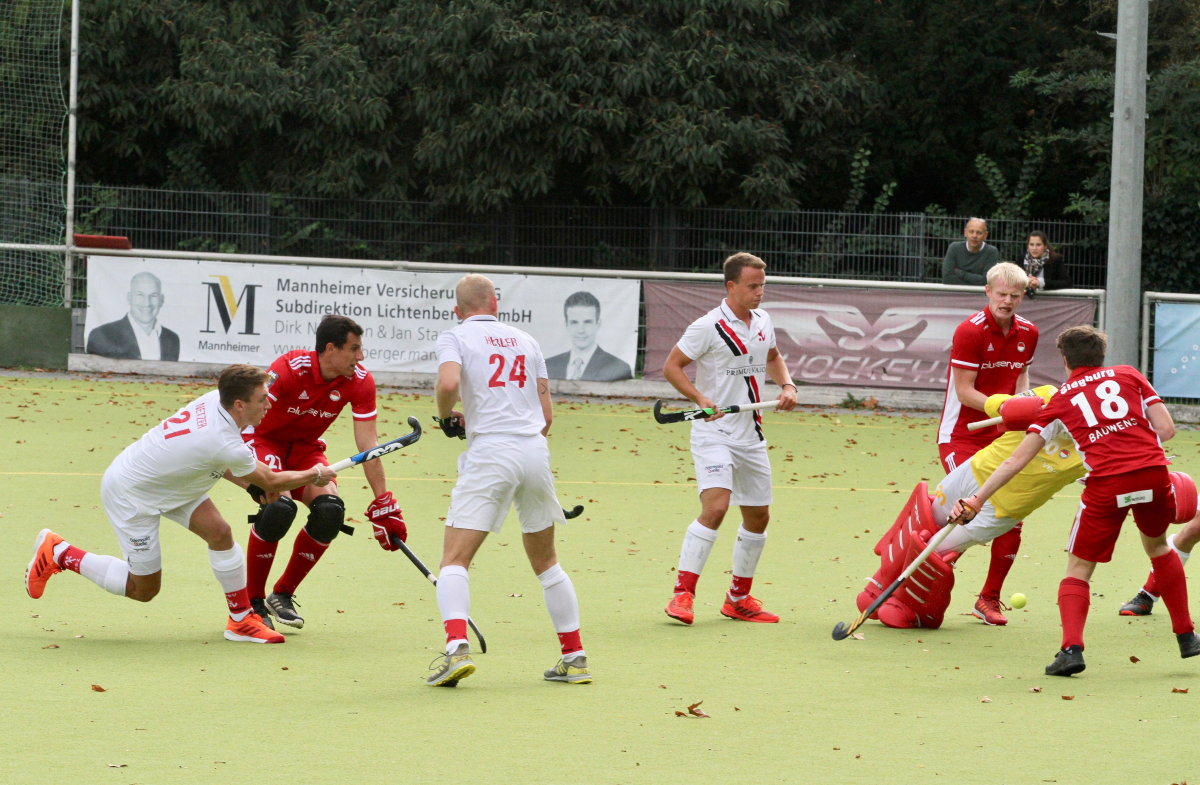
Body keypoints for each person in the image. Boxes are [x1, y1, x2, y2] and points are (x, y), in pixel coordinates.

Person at [950, 326, 1200, 675]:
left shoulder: (1060, 401)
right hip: (1153, 474)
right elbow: (1167, 430)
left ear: (1065, 360)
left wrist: (976, 499)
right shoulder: (1129, 375)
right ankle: (1187, 635)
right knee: (1158, 547)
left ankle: (1071, 650)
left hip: (1107, 484)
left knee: (1079, 569)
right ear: (1101, 356)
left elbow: (1015, 460)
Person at [25, 364, 330, 644]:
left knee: (220, 534)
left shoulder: (216, 402)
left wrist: (249, 485)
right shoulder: (222, 437)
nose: (269, 404)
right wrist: (316, 474)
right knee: (143, 590)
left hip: (174, 483)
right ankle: (60, 552)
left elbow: (216, 460)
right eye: (263, 398)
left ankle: (240, 620)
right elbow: (272, 481)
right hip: (133, 494)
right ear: (240, 404)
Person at [426, 273, 587, 687]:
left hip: (491, 454)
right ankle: (574, 656)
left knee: (454, 560)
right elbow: (547, 416)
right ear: (495, 304)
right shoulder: (527, 341)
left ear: (458, 311)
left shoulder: (455, 336)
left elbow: (448, 383)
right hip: (535, 452)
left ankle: (455, 649)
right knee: (548, 562)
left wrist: (447, 416)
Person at [236, 315, 406, 630]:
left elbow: (368, 444)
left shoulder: (360, 380)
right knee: (278, 509)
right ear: (330, 349)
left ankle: (282, 594)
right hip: (264, 442)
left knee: (330, 511)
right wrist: (250, 471)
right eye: (354, 349)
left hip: (306, 450)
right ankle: (253, 603)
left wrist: (383, 500)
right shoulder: (287, 369)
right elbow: (246, 418)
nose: (361, 356)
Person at [861, 387, 1081, 629]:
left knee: (935, 551)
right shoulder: (1048, 394)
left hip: (999, 510)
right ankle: (880, 583)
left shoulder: (1098, 440)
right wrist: (1008, 407)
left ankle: (907, 606)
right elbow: (996, 404)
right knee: (924, 522)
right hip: (972, 472)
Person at [660, 252, 799, 627]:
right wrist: (700, 399)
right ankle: (682, 594)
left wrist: (786, 384)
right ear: (731, 286)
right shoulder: (707, 326)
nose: (760, 293)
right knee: (717, 507)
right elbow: (671, 367)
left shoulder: (764, 321)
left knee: (758, 515)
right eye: (753, 286)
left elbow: (773, 355)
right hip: (714, 432)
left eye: (763, 286)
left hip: (750, 433)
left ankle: (737, 599)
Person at [937, 261, 1038, 625]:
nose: (1007, 301)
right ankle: (924, 570)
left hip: (1003, 436)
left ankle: (988, 598)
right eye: (1001, 294)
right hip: (961, 436)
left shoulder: (1029, 331)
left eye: (1015, 295)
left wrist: (1023, 403)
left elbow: (1021, 375)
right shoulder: (970, 331)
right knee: (969, 508)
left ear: (1022, 296)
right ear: (988, 292)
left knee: (1011, 516)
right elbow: (964, 392)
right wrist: (1007, 408)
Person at [86, 271, 180, 361]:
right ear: (129, 298)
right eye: (140, 295)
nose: (147, 303)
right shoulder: (101, 336)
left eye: (153, 296)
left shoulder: (172, 339)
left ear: (162, 300)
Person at [544, 291, 633, 381]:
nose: (581, 330)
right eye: (574, 322)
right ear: (566, 325)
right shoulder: (547, 367)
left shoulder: (619, 369)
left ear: (598, 324)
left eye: (587, 322)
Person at [941, 218, 1001, 286]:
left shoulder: (991, 252)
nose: (974, 236)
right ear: (965, 232)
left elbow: (986, 281)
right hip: (955, 294)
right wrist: (975, 281)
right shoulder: (954, 248)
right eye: (971, 232)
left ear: (985, 235)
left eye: (979, 233)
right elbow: (947, 279)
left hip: (980, 295)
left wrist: (960, 273)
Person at [1022, 231, 1073, 296]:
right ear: (1028, 246)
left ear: (1045, 246)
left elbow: (1067, 283)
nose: (1034, 248)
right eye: (1031, 245)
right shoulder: (1021, 259)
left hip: (1049, 301)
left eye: (1038, 245)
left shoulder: (1056, 260)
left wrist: (1041, 282)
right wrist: (1026, 282)